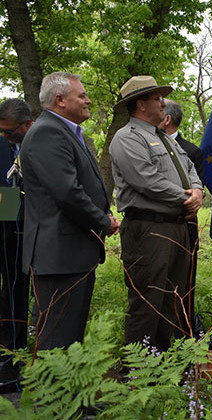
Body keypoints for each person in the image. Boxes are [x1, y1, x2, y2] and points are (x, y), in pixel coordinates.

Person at [20, 72, 119, 351]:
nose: (88, 100)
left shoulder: (68, 132)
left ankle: (67, 395)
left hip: (72, 255)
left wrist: (104, 214)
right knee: (56, 343)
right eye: (82, 96)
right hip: (59, 257)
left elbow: (83, 187)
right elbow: (67, 192)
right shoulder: (47, 132)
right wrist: (102, 221)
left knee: (69, 340)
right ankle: (51, 396)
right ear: (60, 100)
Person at [110, 75, 203, 352]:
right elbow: (146, 180)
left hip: (176, 228)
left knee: (173, 299)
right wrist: (186, 199)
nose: (163, 103)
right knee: (147, 300)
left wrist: (197, 192)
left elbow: (190, 170)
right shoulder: (127, 138)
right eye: (156, 98)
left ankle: (162, 365)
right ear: (140, 104)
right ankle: (137, 373)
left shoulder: (165, 138)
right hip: (148, 230)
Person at [159, 99, 204, 336]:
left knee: (184, 285)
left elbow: (197, 189)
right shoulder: (144, 144)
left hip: (185, 226)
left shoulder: (192, 151)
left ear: (167, 118)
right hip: (157, 228)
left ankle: (184, 333)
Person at [0, 98, 32, 391]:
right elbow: (7, 189)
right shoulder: (4, 146)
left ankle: (18, 350)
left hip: (28, 227)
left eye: (10, 132)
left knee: (20, 290)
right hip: (10, 228)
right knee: (11, 290)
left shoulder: (30, 142)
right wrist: (11, 224)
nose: (6, 137)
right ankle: (8, 357)